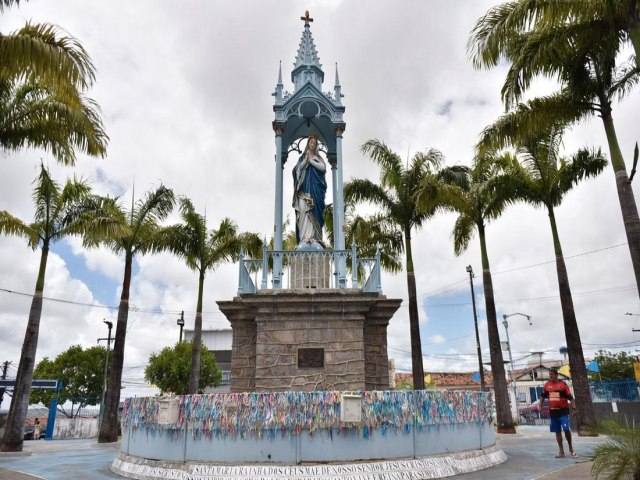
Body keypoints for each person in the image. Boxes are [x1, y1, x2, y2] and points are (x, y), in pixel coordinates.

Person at [292, 134, 327, 244]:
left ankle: (314, 238)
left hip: (315, 191)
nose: (312, 144)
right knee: (303, 209)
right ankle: (304, 238)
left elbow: (323, 168)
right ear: (308, 143)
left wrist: (311, 161)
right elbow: (296, 170)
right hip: (303, 190)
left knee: (314, 210)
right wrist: (305, 161)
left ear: (316, 145)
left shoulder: (318, 158)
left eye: (314, 143)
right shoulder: (302, 158)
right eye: (311, 142)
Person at [539, 368, 577, 458]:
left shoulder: (563, 384)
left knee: (566, 430)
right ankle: (561, 451)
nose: (550, 376)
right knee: (557, 432)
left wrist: (574, 408)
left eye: (552, 374)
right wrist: (540, 405)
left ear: (556, 375)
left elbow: (571, 398)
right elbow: (542, 396)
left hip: (563, 412)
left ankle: (571, 448)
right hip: (553, 413)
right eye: (549, 374)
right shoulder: (547, 385)